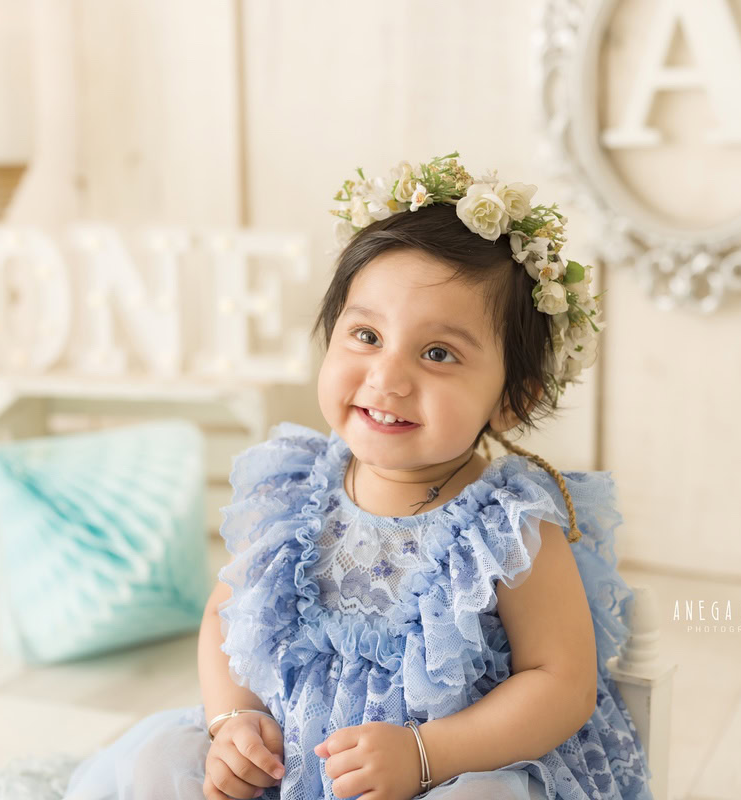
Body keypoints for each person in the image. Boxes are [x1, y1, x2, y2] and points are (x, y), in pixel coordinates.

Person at [41, 153, 650, 799]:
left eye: (438, 353)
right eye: (365, 335)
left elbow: (561, 684)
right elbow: (226, 617)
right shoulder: (295, 490)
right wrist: (234, 720)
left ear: (512, 399)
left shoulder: (504, 532)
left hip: (438, 772)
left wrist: (427, 752)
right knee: (161, 760)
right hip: (286, 766)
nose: (386, 377)